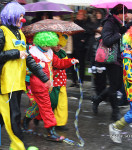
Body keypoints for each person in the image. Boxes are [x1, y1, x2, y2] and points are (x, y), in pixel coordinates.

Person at [0, 2, 51, 150]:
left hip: (17, 82)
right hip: (6, 83)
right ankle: (19, 146)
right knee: (14, 115)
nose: (22, 19)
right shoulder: (2, 32)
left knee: (7, 115)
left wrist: (44, 78)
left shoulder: (20, 33)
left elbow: (29, 59)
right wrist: (15, 53)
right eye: (20, 16)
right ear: (11, 16)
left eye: (23, 16)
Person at [23, 31, 79, 141]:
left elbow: (58, 63)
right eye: (46, 44)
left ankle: (25, 120)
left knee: (38, 105)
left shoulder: (49, 52)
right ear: (40, 42)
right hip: (39, 85)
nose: (48, 47)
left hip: (48, 85)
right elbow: (34, 70)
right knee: (47, 107)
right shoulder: (33, 53)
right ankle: (51, 132)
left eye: (50, 45)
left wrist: (70, 61)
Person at [91, 4, 128, 121]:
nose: (126, 15)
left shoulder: (119, 23)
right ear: (118, 13)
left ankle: (97, 99)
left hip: (119, 57)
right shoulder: (109, 23)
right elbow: (107, 41)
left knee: (116, 85)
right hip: (111, 58)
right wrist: (119, 34)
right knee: (114, 86)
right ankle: (115, 112)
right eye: (124, 13)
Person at [50, 33, 70, 130]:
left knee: (62, 102)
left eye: (60, 45)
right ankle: (38, 117)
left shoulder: (62, 53)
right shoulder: (49, 52)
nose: (58, 47)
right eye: (57, 45)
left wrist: (71, 62)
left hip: (61, 80)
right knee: (52, 102)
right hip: (51, 81)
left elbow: (65, 64)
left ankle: (60, 123)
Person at [70, 9, 88, 87]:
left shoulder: (85, 24)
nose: (79, 16)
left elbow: (87, 33)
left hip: (81, 48)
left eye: (81, 14)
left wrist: (84, 40)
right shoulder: (74, 23)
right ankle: (74, 80)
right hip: (73, 46)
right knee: (73, 64)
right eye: (78, 14)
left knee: (81, 65)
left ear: (84, 16)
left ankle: (80, 80)